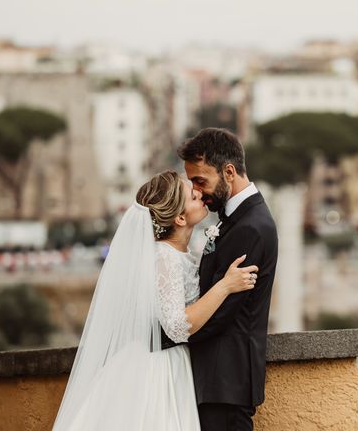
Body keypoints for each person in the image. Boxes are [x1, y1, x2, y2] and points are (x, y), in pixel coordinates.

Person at [53, 170, 259, 431]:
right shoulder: (164, 257)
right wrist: (226, 286)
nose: (199, 192)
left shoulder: (178, 254)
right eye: (191, 195)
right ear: (180, 218)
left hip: (174, 364)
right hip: (158, 371)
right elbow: (176, 326)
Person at [169, 128, 279, 431]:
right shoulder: (236, 219)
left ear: (228, 171)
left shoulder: (251, 227)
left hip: (226, 382)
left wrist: (172, 335)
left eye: (200, 181)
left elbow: (220, 313)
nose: (197, 191)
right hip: (218, 381)